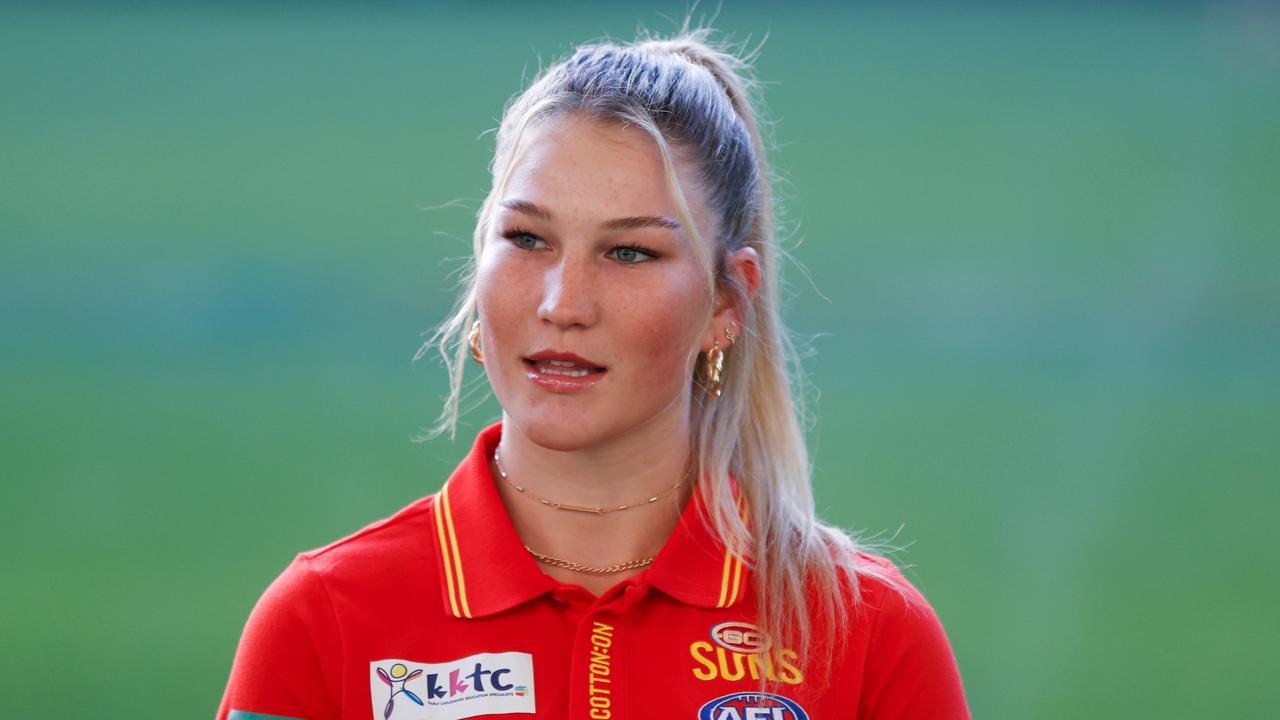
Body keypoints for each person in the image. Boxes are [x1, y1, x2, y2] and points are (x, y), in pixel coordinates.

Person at [217, 26, 970, 720]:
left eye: (630, 252)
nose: (563, 304)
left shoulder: (868, 632)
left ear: (727, 302)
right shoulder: (325, 620)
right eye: (527, 239)